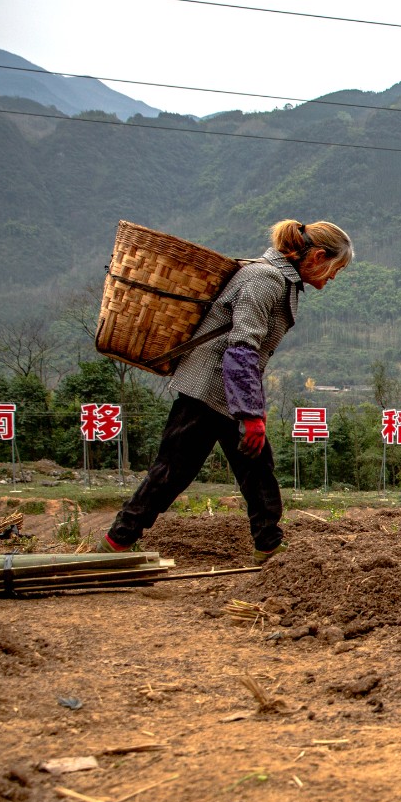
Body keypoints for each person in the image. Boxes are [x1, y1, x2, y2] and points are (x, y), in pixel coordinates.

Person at [100, 220, 352, 562]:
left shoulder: (277, 280)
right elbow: (241, 349)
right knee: (171, 473)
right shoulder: (265, 280)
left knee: (257, 468)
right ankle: (116, 544)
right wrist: (250, 414)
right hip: (207, 392)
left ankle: (268, 544)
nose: (333, 277)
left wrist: (250, 412)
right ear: (317, 256)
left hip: (227, 394)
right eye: (335, 268)